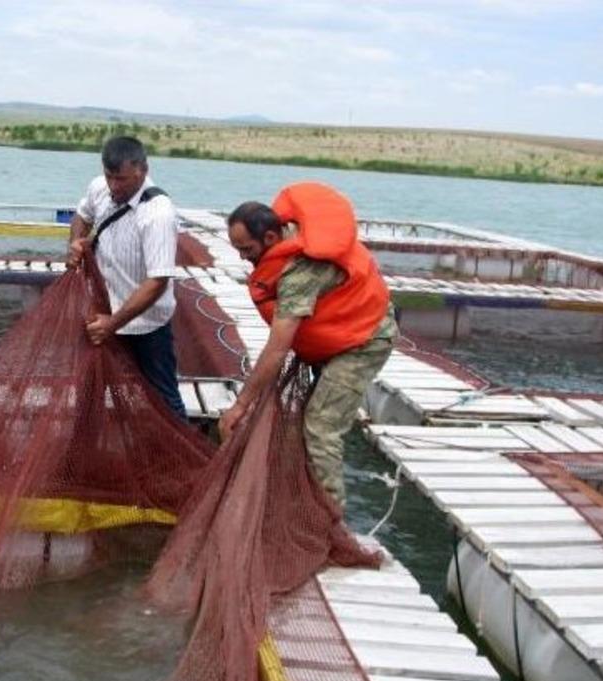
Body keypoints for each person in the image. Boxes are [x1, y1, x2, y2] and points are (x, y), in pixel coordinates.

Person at [220, 182, 398, 511]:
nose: (244, 258)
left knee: (321, 426)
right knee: (302, 425)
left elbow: (277, 348)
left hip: (365, 340)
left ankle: (330, 523)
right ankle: (305, 503)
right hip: (341, 331)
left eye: (246, 250)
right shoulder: (289, 237)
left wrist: (240, 404)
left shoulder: (299, 272)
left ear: (271, 239)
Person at [67, 136, 187, 419]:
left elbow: (157, 281)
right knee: (89, 390)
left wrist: (113, 324)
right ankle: (84, 451)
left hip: (146, 326)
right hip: (102, 315)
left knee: (163, 400)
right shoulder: (99, 188)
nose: (113, 187)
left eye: (121, 180)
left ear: (142, 171)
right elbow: (82, 217)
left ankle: (184, 460)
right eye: (109, 177)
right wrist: (75, 242)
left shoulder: (158, 214)